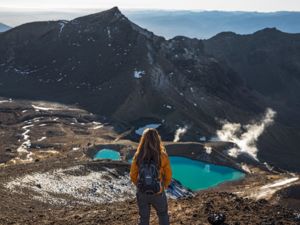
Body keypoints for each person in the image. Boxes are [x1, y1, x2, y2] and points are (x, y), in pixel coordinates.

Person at [130, 128, 172, 225]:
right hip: (158, 192)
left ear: (143, 140)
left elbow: (132, 175)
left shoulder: (138, 155)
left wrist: (140, 185)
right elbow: (168, 175)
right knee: (163, 214)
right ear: (157, 139)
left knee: (144, 218)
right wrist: (163, 186)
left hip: (142, 192)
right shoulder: (162, 155)